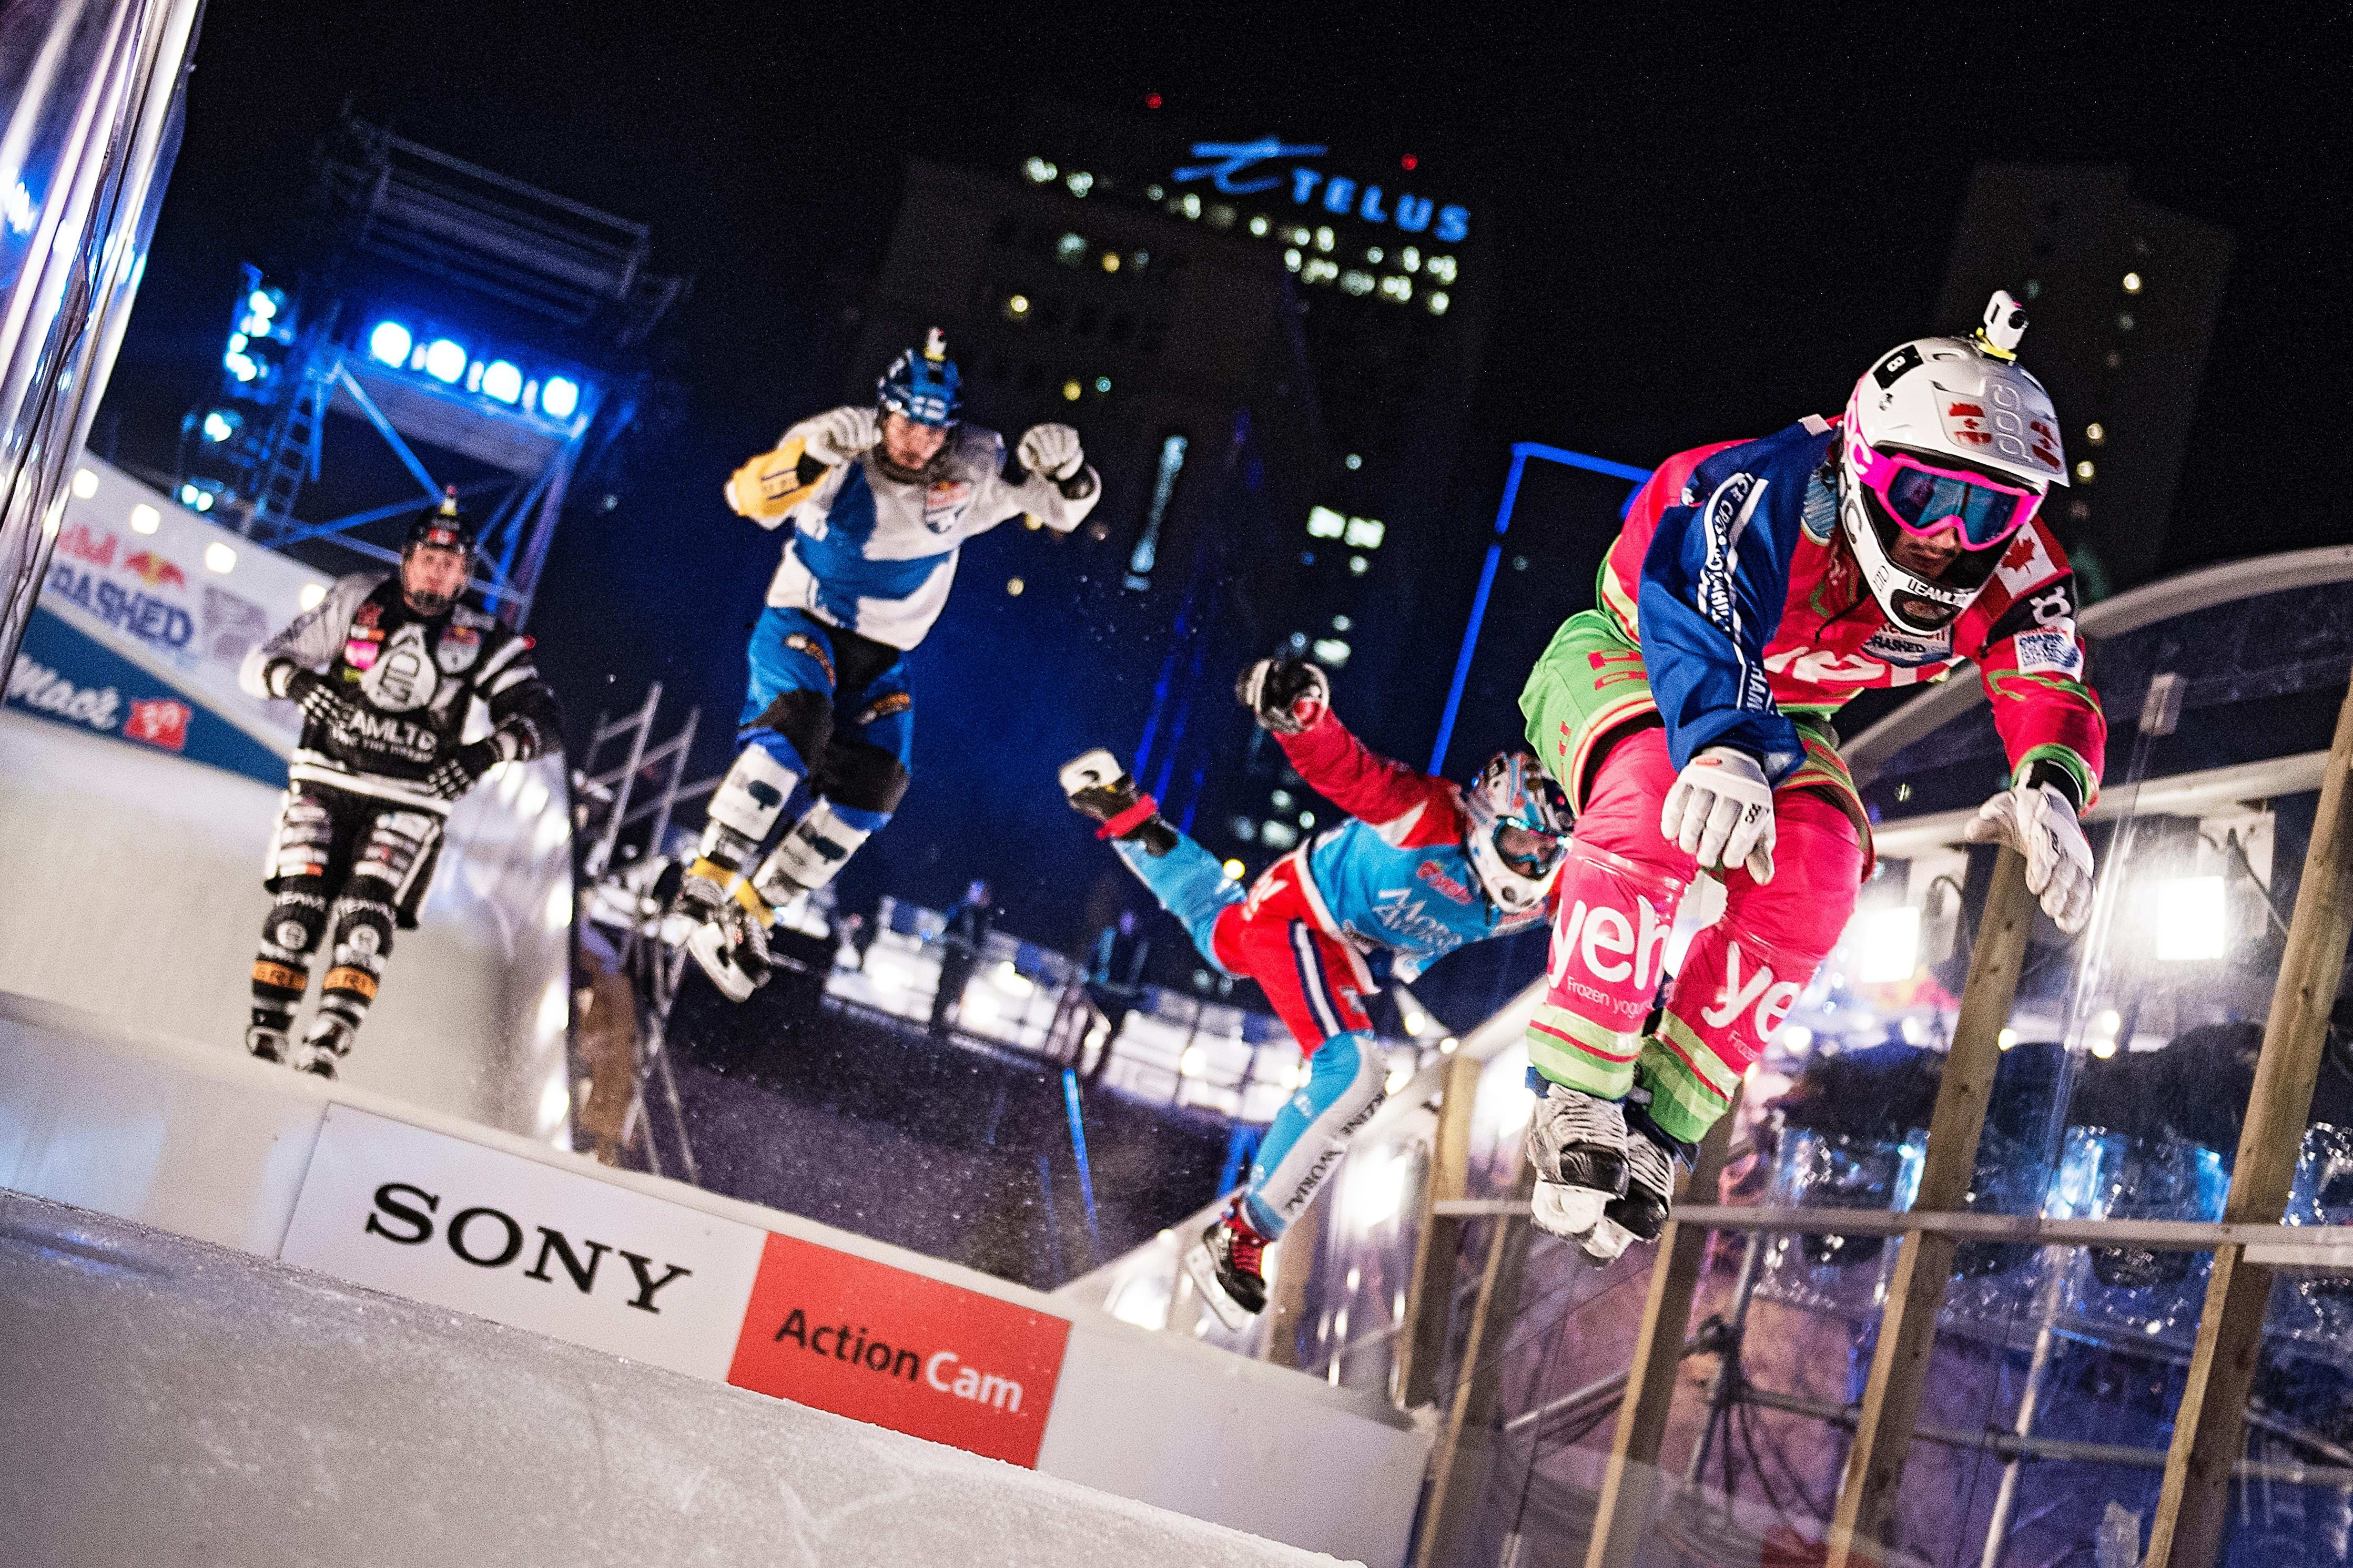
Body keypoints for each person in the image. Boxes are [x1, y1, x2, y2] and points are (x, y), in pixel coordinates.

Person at [1515, 292, 2108, 1261]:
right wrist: (1719, 740)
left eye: (1987, 508)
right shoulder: (1764, 489)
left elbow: (2044, 674)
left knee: (1822, 863)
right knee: (1650, 797)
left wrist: (2049, 783)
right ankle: (1579, 1089)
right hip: (1635, 658)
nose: (1947, 538)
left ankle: (1661, 1122)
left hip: (1785, 716)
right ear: (1864, 466)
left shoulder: (2014, 566)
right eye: (1924, 496)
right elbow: (1697, 608)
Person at [1061, 658, 1569, 1327]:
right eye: (1521, 842)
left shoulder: (1550, 891)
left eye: (1547, 851)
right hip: (1303, 916)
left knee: (1219, 934)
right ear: (1480, 820)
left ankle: (1127, 818)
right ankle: (1242, 1234)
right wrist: (1299, 715)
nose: (1532, 864)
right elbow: (1346, 768)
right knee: (1354, 1072)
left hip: (1334, 945)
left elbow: (1616, 904)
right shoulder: (1423, 814)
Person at [668, 330, 1101, 1000]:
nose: (917, 443)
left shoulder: (977, 462)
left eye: (933, 430)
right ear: (884, 410)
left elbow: (1062, 509)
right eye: (905, 423)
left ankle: (752, 911)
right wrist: (810, 456)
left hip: (884, 657)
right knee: (795, 730)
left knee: (874, 790)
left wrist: (1068, 466)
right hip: (804, 622)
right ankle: (707, 878)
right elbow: (747, 499)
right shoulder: (840, 440)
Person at [237, 491, 561, 1077]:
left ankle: (326, 1046)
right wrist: (297, 683)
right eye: (429, 559)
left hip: (411, 801)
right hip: (326, 780)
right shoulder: (359, 599)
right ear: (406, 559)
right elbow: (257, 664)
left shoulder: (484, 637)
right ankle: (266, 1035)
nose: (438, 571)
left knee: (366, 920)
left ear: (465, 576)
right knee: (300, 908)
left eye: (453, 564)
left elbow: (546, 725)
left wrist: (487, 751)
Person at [928, 880, 995, 1040]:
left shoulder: (976, 915)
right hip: (957, 958)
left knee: (954, 993)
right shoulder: (964, 911)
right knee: (948, 991)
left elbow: (977, 940)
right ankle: (938, 1025)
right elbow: (951, 933)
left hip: (963, 960)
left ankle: (942, 1025)